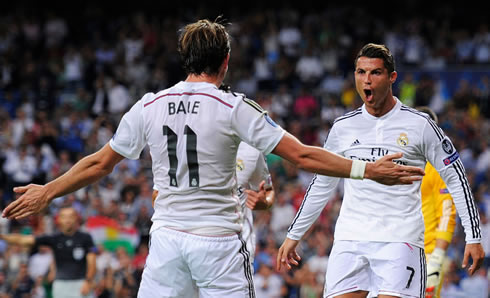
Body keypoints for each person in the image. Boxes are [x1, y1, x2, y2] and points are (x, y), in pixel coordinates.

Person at [2, 21, 424, 298]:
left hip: (166, 239)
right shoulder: (233, 107)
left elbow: (98, 163)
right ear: (225, 62)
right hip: (219, 242)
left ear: (185, 59)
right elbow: (299, 154)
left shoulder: (149, 104)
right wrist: (367, 170)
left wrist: (48, 192)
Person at [277, 43, 485, 298]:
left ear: (392, 77)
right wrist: (294, 235)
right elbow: (322, 184)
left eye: (375, 73)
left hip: (399, 241)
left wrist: (474, 236)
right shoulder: (343, 127)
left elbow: (456, 177)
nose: (366, 80)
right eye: (360, 72)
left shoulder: (419, 125)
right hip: (350, 240)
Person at [0, 207, 97, 298]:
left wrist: (88, 281)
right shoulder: (54, 238)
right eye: (64, 217)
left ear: (76, 218)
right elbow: (24, 240)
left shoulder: (85, 238)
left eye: (71, 216)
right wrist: (2, 236)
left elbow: (92, 262)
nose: (67, 220)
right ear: (58, 220)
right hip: (60, 284)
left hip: (81, 283)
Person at [417, 106, 457, 298]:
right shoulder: (399, 163)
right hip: (399, 250)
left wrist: (437, 257)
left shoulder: (440, 167)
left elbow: (447, 211)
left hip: (427, 254)